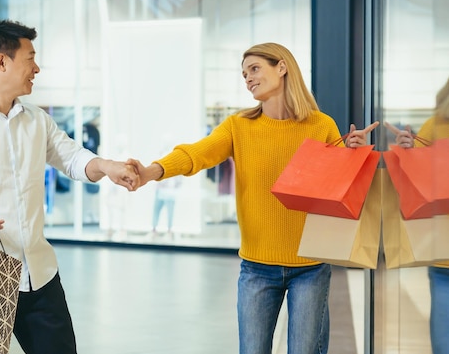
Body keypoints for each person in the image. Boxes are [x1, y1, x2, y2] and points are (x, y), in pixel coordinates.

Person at [127, 42, 379, 354]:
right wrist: (153, 171)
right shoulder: (239, 126)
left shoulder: (321, 125)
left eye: (255, 68)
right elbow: (198, 153)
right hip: (256, 268)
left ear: (282, 67)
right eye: (244, 73)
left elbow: (340, 189)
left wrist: (351, 155)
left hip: (311, 266)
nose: (248, 78)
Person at [0, 20, 138, 354]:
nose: (37, 67)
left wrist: (106, 166)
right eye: (30, 58)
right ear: (2, 62)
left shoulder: (37, 120)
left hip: (39, 270)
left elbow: (72, 158)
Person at [385, 77, 449, 354]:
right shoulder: (437, 124)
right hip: (444, 256)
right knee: (443, 340)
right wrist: (408, 149)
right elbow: (417, 178)